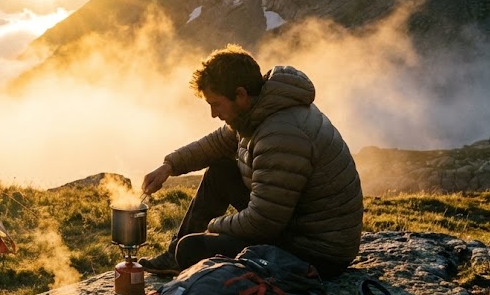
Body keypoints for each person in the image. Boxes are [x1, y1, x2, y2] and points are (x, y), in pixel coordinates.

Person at [138, 44, 363, 279]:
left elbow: (264, 222)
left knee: (191, 249)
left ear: (241, 94)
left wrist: (215, 225)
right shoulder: (258, 110)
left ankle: (179, 254)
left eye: (215, 103)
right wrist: (169, 166)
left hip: (316, 252)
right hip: (292, 224)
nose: (214, 114)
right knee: (221, 170)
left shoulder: (280, 133)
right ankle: (175, 256)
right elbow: (216, 144)